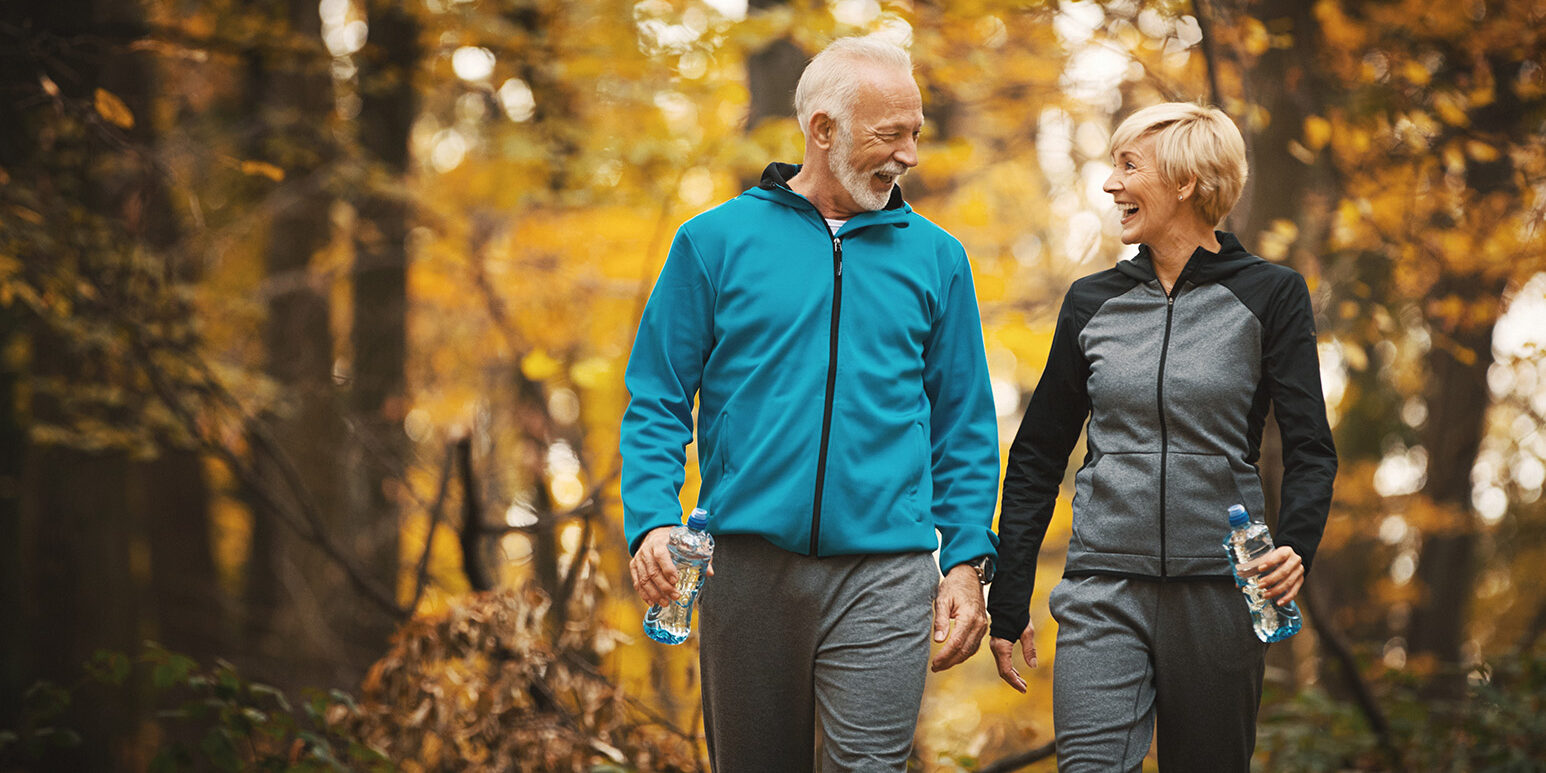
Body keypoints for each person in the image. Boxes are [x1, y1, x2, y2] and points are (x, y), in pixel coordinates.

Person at [619, 35, 1001, 772]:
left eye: (915, 133)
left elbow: (964, 424)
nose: (910, 155)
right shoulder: (713, 242)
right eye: (891, 135)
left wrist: (965, 561)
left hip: (887, 569)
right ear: (823, 130)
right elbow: (658, 395)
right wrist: (654, 519)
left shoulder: (938, 258)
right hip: (745, 565)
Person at [986, 102, 1338, 772]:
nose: (1111, 185)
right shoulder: (1091, 303)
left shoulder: (1270, 295)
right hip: (1102, 589)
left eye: (1127, 166)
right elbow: (1037, 454)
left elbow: (1311, 449)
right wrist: (1010, 596)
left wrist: (1296, 544)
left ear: (1184, 181)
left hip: (1221, 593)